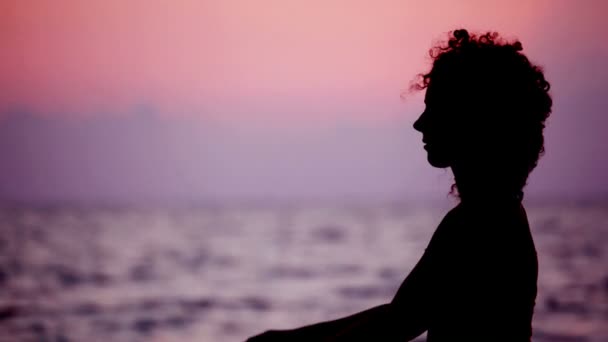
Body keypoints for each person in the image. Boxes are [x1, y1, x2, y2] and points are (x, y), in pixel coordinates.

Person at [246, 28, 552, 342]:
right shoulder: (498, 213)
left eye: (434, 109)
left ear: (471, 119)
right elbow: (403, 311)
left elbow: (397, 324)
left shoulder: (478, 223)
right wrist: (291, 338)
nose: (420, 123)